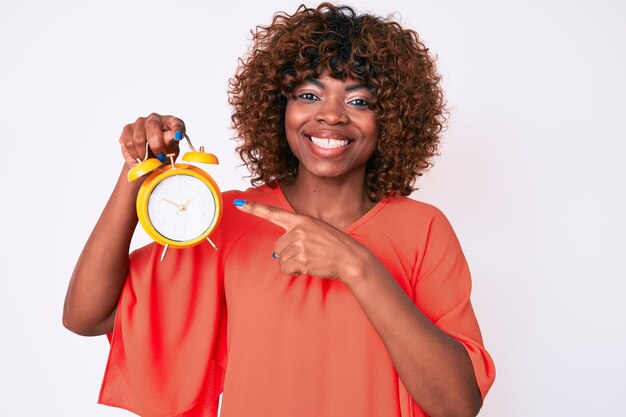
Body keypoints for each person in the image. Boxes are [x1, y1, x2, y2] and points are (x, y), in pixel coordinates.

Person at [63, 3, 495, 417]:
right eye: (309, 94)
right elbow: (89, 315)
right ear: (278, 108)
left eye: (359, 101)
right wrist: (138, 172)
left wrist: (356, 264)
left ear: (392, 119)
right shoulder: (229, 217)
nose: (330, 115)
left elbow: (458, 404)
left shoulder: (423, 229)